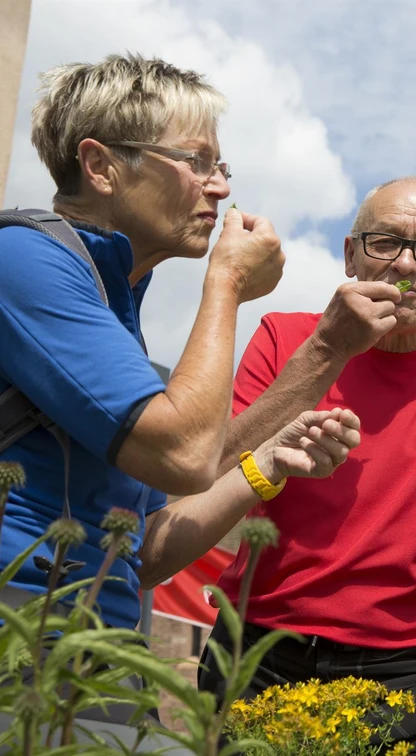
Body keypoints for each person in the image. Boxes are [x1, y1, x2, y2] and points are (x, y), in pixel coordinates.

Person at [0, 52, 361, 715]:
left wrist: (264, 465)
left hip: (103, 648)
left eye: (221, 167)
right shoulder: (24, 262)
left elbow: (141, 549)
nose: (219, 188)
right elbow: (188, 454)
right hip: (24, 635)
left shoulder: (112, 303)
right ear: (101, 165)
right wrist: (224, 284)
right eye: (196, 162)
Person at [197, 176, 416, 753]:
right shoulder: (286, 337)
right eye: (384, 241)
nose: (405, 265)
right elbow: (209, 472)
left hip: (404, 670)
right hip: (260, 651)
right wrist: (326, 352)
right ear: (350, 255)